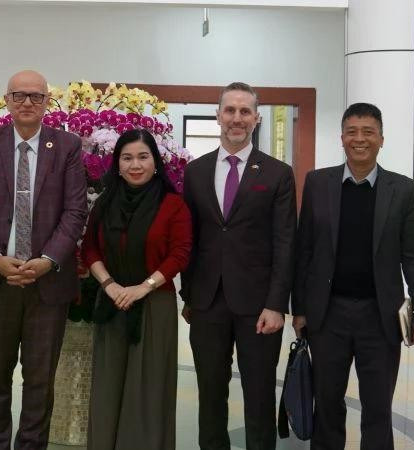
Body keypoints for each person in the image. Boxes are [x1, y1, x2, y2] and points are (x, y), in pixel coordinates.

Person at [292, 103, 414, 449]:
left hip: (380, 317)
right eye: (352, 132)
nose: (360, 139)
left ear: (381, 139)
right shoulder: (317, 183)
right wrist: (300, 308)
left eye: (368, 132)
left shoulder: (403, 190)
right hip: (328, 315)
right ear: (341, 138)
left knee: (378, 409)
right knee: (326, 404)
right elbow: (304, 250)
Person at [0, 69, 88, 449]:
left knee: (39, 380)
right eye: (19, 95)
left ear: (48, 102)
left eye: (36, 96)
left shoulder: (67, 145)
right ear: (8, 100)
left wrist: (48, 259)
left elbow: (75, 211)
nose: (28, 102)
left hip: (47, 284)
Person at [180, 82, 297, 450]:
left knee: (259, 396)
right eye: (230, 110)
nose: (236, 118)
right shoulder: (195, 172)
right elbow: (190, 239)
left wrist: (277, 304)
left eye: (245, 111)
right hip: (207, 301)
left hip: (259, 307)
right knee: (210, 396)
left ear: (257, 118)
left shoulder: (277, 173)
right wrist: (189, 295)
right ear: (218, 115)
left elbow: (285, 242)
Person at [80, 128, 192, 449]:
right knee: (108, 384)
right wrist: (110, 284)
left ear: (156, 161)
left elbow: (180, 253)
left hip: (154, 304)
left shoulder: (173, 205)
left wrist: (144, 287)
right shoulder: (105, 202)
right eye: (127, 158)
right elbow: (90, 250)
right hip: (111, 302)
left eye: (143, 157)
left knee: (148, 388)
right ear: (117, 163)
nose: (135, 164)